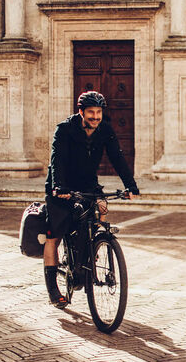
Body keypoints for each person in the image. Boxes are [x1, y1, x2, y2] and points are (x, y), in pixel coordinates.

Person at [43, 91, 139, 308]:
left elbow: (117, 157)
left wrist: (130, 185)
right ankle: (52, 289)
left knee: (102, 208)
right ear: (81, 112)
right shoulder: (65, 130)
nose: (95, 116)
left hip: (87, 184)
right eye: (91, 112)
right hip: (62, 185)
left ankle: (92, 246)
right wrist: (59, 186)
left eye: (98, 112)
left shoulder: (105, 129)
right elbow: (56, 159)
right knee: (54, 235)